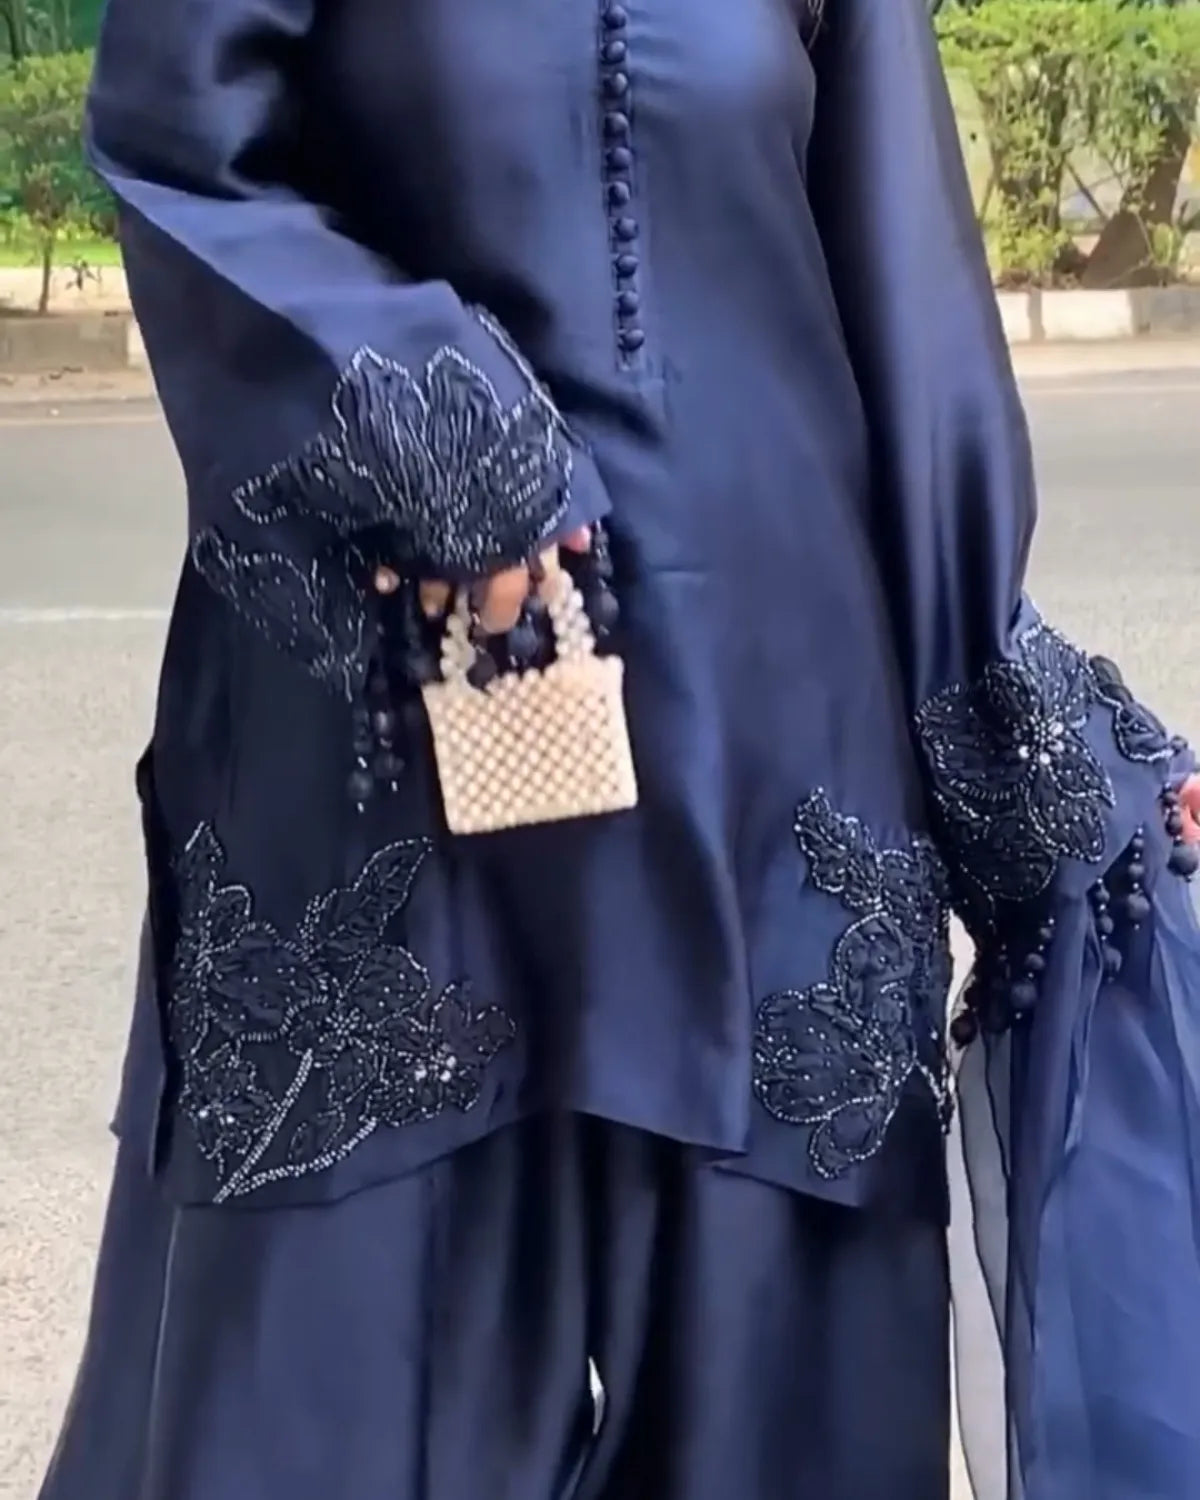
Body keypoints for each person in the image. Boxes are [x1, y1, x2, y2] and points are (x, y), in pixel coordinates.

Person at [38, 0, 1200, 1497]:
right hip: (387, 766)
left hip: (774, 769)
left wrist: (1033, 734)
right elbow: (182, 153)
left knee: (778, 1396)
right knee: (342, 1399)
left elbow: (908, 316)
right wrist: (437, 424)